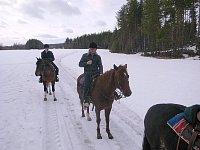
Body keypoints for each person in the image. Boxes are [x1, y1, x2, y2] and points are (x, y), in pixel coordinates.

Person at [79, 42, 103, 107]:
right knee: (86, 85)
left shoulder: (98, 57)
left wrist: (101, 73)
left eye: (94, 49)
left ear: (96, 49)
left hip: (96, 74)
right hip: (87, 74)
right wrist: (86, 63)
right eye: (91, 49)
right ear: (89, 49)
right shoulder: (85, 55)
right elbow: (80, 64)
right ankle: (86, 100)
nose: (92, 50)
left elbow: (100, 65)